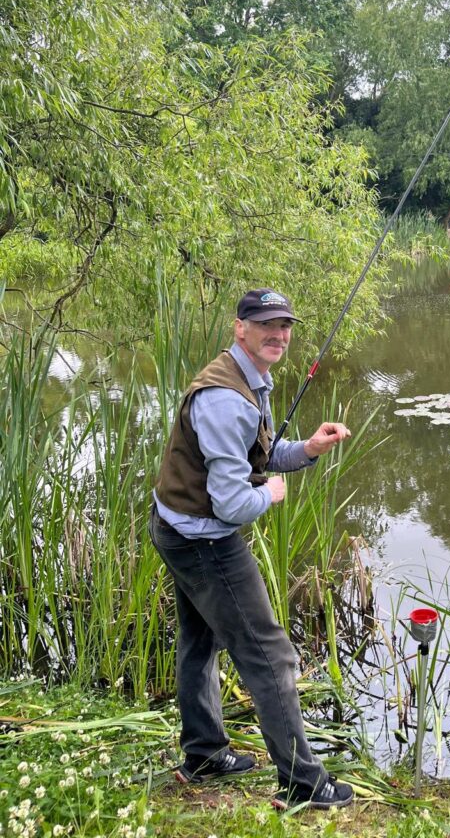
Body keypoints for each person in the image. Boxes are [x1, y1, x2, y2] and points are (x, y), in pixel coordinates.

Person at [150, 287, 355, 811]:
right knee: (270, 655)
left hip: (175, 526)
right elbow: (231, 503)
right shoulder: (226, 399)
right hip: (203, 540)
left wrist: (308, 448)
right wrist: (270, 494)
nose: (278, 334)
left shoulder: (245, 378)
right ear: (239, 327)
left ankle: (203, 754)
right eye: (266, 324)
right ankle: (303, 784)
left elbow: (257, 454)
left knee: (199, 640)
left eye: (284, 325)